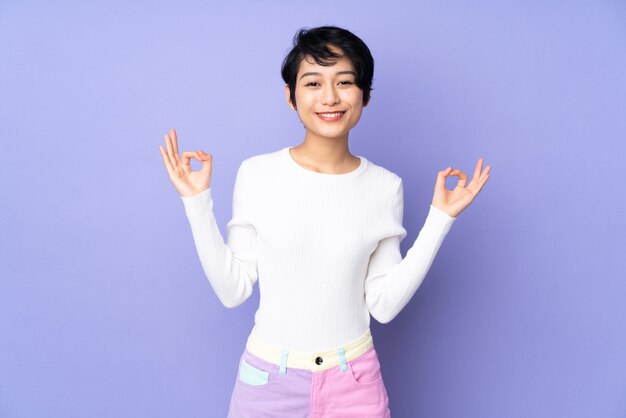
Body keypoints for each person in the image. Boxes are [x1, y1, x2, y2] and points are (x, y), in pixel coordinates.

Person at [159, 25, 490, 418]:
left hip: (355, 383)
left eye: (345, 82)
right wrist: (196, 203)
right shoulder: (257, 174)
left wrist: (440, 219)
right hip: (269, 382)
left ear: (365, 96)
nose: (329, 97)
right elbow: (233, 290)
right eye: (313, 82)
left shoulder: (385, 187)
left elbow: (383, 305)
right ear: (291, 96)